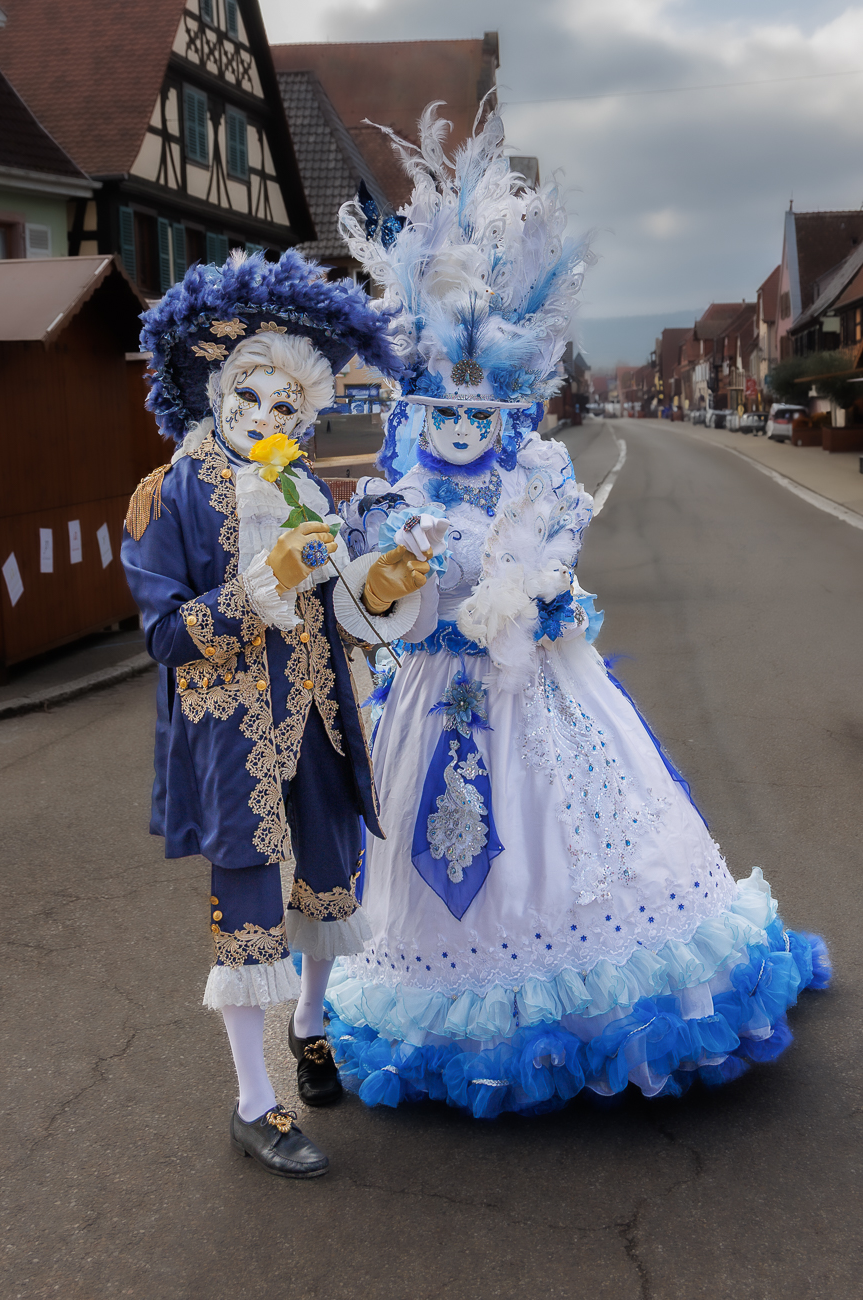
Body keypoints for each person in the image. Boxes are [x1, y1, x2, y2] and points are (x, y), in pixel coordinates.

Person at [325, 104, 830, 1116]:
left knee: (588, 838)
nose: (465, 432)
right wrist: (397, 580)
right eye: (446, 416)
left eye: (484, 416)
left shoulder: (543, 475)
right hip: (432, 702)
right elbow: (367, 608)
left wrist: (522, 589)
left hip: (539, 693)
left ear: (510, 409)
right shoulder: (393, 498)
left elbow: (553, 562)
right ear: (419, 409)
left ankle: (599, 1003)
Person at [121, 250, 420, 1175]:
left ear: (307, 411)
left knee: (330, 877)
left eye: (285, 405)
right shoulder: (167, 493)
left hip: (322, 716)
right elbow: (164, 636)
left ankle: (312, 1024)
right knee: (247, 905)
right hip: (230, 732)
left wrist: (387, 581)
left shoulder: (311, 488)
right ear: (215, 391)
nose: (264, 417)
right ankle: (256, 1104)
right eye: (248, 397)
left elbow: (344, 615)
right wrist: (257, 587)